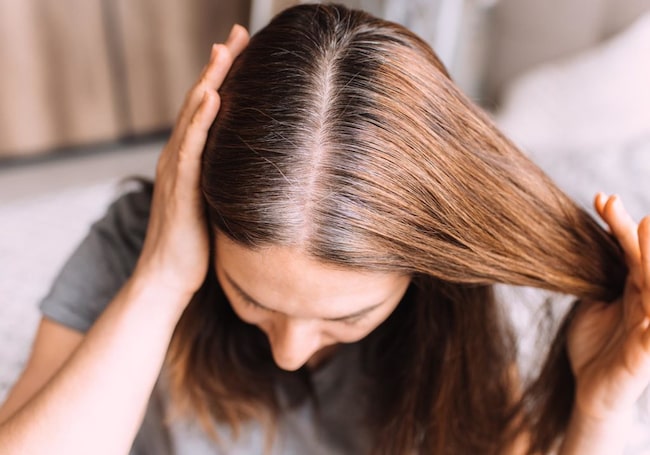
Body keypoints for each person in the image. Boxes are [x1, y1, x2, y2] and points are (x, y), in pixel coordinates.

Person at [0, 4, 649, 454]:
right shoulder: (138, 241)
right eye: (250, 295)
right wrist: (162, 280)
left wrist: (597, 413)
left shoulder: (450, 300)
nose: (289, 349)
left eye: (347, 315)